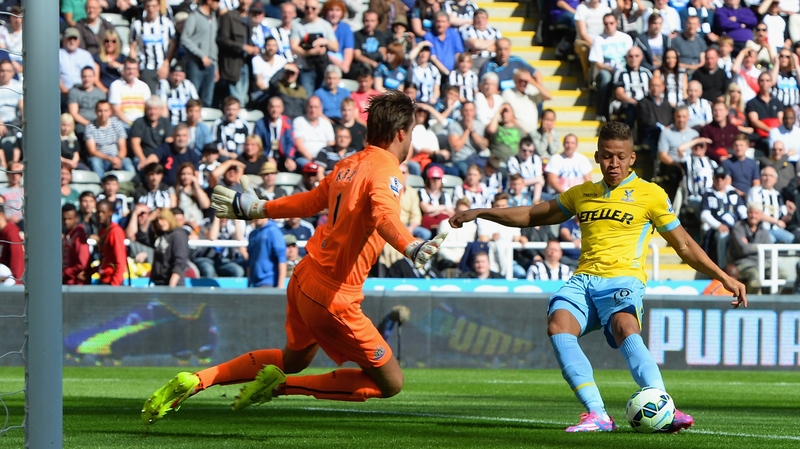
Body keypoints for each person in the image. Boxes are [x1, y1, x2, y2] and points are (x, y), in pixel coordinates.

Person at [142, 91, 446, 424]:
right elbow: (384, 214)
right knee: (391, 382)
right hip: (333, 297)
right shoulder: (388, 171)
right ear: (402, 133)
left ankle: (198, 379)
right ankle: (281, 388)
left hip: (304, 277)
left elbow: (311, 201)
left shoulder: (349, 164)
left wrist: (256, 208)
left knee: (293, 358)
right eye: (413, 133)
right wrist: (409, 245)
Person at [448, 121, 746, 433]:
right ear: (597, 156)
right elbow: (531, 215)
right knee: (558, 325)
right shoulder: (582, 193)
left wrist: (723, 276)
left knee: (624, 326)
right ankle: (598, 414)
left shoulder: (651, 195)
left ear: (632, 158)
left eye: (620, 156)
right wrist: (481, 212)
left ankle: (665, 405)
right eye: (606, 156)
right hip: (583, 280)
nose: (613, 163)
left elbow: (683, 244)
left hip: (622, 280)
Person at [589, 14, 633, 122]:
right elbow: (598, 63)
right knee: (606, 78)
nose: (609, 26)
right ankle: (602, 113)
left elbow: (632, 56)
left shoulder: (625, 38)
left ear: (616, 23)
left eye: (611, 23)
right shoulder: (599, 40)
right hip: (605, 70)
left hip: (624, 70)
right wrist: (612, 70)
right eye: (606, 23)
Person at [700, 166, 746, 267]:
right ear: (713, 178)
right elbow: (704, 214)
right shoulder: (707, 194)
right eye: (717, 177)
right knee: (723, 236)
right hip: (715, 229)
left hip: (735, 227)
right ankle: (722, 267)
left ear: (726, 179)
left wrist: (745, 225)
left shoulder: (733, 193)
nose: (720, 180)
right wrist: (718, 226)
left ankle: (741, 267)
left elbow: (742, 210)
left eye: (722, 177)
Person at [290, 0, 339, 95]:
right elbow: (293, 48)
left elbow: (335, 47)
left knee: (322, 98)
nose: (310, 10)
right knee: (308, 98)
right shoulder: (297, 25)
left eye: (313, 8)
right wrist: (311, 52)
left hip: (323, 68)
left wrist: (325, 41)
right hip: (306, 68)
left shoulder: (325, 25)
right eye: (307, 7)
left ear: (318, 9)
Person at [218, 0, 260, 105]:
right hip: (233, 62)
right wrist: (243, 47)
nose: (245, 1)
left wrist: (254, 48)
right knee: (236, 96)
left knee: (244, 96)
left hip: (247, 62)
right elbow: (223, 40)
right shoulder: (229, 16)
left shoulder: (250, 18)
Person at [129, 0, 177, 93]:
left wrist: (166, 64)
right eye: (148, 6)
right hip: (146, 67)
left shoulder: (166, 23)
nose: (151, 9)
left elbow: (173, 44)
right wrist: (136, 67)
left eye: (154, 6)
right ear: (144, 7)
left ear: (159, 7)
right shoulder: (137, 24)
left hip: (163, 66)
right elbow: (132, 47)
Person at [181, 0, 220, 109]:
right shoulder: (194, 16)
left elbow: (213, 43)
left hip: (210, 64)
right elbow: (185, 38)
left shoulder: (213, 18)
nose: (219, 4)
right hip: (195, 64)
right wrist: (201, 55)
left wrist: (215, 65)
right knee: (194, 98)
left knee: (207, 100)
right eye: (217, 1)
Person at [79, 200, 127, 286]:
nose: (100, 215)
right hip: (103, 278)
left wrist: (114, 285)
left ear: (110, 213)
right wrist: (90, 271)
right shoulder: (103, 231)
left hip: (112, 281)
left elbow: (120, 261)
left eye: (103, 212)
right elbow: (105, 261)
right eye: (98, 212)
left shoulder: (115, 232)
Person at [84, 100, 135, 178]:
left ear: (110, 112)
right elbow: (92, 151)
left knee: (127, 163)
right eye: (100, 111)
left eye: (105, 111)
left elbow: (123, 148)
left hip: (117, 157)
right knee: (95, 162)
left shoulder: (117, 123)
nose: (103, 114)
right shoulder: (90, 127)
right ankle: (101, 184)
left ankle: (133, 185)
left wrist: (118, 159)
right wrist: (110, 159)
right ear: (95, 112)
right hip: (100, 158)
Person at [727, 204, 771, 292]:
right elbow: (743, 249)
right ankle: (751, 303)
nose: (753, 215)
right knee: (755, 277)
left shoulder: (763, 230)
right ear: (747, 213)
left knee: (782, 274)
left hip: (762, 263)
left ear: (761, 215)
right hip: (743, 263)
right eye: (751, 212)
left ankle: (770, 301)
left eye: (756, 213)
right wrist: (759, 248)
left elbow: (768, 251)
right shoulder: (738, 227)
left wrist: (750, 246)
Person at [746, 166, 794, 243]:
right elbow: (756, 213)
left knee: (791, 238)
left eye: (771, 176)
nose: (768, 178)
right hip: (761, 228)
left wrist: (789, 213)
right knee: (770, 240)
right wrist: (777, 222)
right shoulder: (755, 191)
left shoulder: (778, 195)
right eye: (765, 175)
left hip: (776, 229)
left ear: (776, 180)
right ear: (761, 177)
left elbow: (782, 220)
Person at [611, 46, 651, 128]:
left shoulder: (647, 72)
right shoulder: (621, 73)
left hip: (645, 103)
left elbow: (653, 89)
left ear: (641, 57)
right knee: (631, 110)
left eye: (636, 56)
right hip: (627, 103)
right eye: (631, 56)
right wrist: (634, 102)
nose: (633, 58)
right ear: (626, 58)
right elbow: (619, 93)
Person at [150, 207, 190, 286]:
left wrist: (172, 285)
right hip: (159, 283)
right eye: (157, 220)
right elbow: (141, 236)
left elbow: (180, 261)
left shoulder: (178, 235)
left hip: (173, 284)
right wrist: (149, 219)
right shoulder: (160, 236)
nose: (160, 223)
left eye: (162, 219)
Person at [130, 96, 173, 168]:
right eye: (150, 109)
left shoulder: (165, 122)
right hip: (143, 157)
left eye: (156, 109)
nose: (153, 112)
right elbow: (135, 143)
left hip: (161, 156)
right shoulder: (139, 122)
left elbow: (169, 142)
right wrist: (142, 159)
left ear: (161, 110)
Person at [108, 57, 152, 127]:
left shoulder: (144, 86)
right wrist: (131, 124)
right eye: (128, 69)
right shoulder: (115, 85)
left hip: (141, 124)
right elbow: (116, 110)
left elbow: (149, 107)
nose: (131, 72)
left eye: (134, 69)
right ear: (124, 70)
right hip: (122, 124)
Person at [247, 217, 287, 287]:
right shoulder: (252, 234)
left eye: (260, 214)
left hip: (270, 282)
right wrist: (249, 283)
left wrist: (280, 286)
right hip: (255, 283)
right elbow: (250, 260)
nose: (257, 216)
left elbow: (281, 258)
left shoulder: (274, 231)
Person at [68, 66, 105, 139]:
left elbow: (105, 111)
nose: (87, 79)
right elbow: (73, 113)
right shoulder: (74, 92)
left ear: (94, 77)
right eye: (84, 76)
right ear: (81, 77)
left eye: (89, 76)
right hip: (82, 124)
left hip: (99, 123)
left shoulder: (101, 93)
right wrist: (89, 124)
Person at [62, 203, 90, 285]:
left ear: (76, 219)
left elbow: (83, 263)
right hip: (67, 282)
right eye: (64, 219)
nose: (66, 222)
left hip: (75, 284)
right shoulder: (68, 234)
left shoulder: (79, 236)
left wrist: (65, 272)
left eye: (70, 219)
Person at [0, 203, 22, 283]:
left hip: (10, 284)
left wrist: (16, 282)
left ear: (1, 215)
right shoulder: (2, 232)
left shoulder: (11, 232)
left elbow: (17, 258)